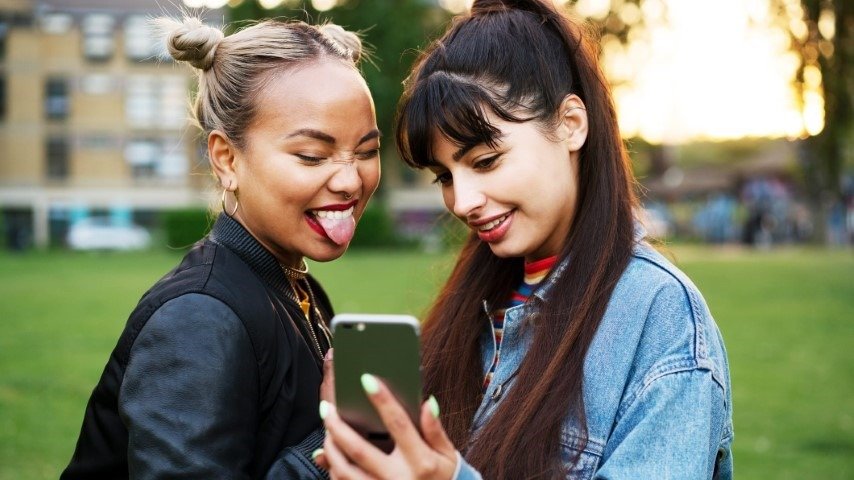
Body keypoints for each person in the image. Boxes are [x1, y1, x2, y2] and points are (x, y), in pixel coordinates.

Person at [317, 0, 732, 478]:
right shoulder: (481, 299)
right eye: (444, 176)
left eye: (486, 161)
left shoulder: (659, 316)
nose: (462, 201)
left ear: (570, 125)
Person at [61, 15, 380, 479]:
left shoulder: (294, 286)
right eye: (312, 155)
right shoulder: (197, 319)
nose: (351, 178)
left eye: (367, 151)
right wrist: (338, 442)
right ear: (227, 159)